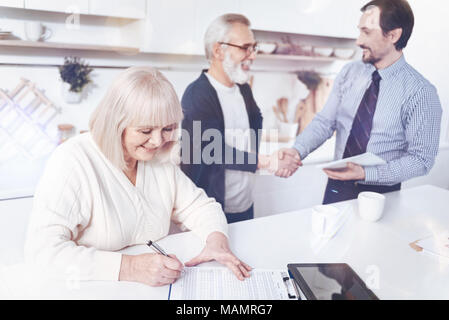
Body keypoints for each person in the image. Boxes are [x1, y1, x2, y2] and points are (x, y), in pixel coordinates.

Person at [24, 67, 252, 287]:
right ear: (116, 123)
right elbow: (42, 252)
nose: (157, 141)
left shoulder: (158, 157)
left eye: (167, 129)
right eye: (145, 131)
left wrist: (216, 241)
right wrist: (130, 267)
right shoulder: (73, 160)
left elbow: (200, 207)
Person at [280, 0, 442, 204]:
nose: (358, 41)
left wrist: (365, 173)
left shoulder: (421, 92)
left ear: (393, 35)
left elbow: (421, 159)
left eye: (366, 32)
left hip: (381, 194)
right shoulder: (350, 72)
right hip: (336, 185)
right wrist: (297, 150)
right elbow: (324, 122)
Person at [181, 13, 301, 224]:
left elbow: (251, 129)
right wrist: (266, 161)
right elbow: (212, 150)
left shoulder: (243, 89)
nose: (252, 55)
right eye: (245, 48)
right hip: (210, 209)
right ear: (219, 50)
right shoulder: (197, 94)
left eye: (253, 48)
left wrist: (272, 156)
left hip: (244, 202)